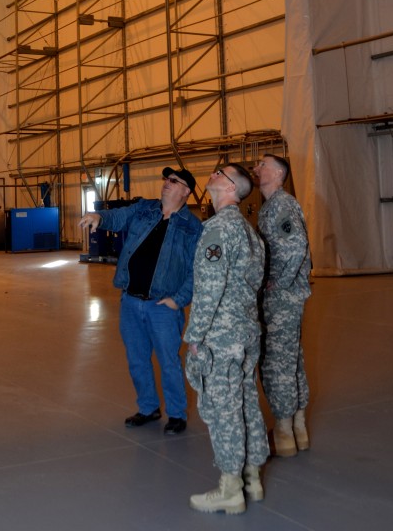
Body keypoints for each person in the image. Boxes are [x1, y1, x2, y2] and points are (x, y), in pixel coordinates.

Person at [79, 166, 202, 435]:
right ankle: (148, 408)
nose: (166, 183)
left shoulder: (193, 228)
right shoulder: (145, 209)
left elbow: (197, 271)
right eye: (165, 179)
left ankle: (177, 413)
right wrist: (98, 215)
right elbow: (118, 216)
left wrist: (178, 300)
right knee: (137, 359)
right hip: (131, 301)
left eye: (173, 181)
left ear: (186, 191)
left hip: (163, 307)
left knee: (169, 362)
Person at [184, 164, 268, 515]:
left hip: (221, 336)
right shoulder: (250, 233)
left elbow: (210, 289)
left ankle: (230, 488)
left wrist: (195, 335)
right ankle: (253, 477)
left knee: (224, 408)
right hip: (247, 332)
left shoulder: (217, 230)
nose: (213, 175)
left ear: (232, 187)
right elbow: (255, 283)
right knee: (247, 401)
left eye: (220, 172)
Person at [253, 153, 311, 458]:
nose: (256, 169)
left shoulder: (281, 204)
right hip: (284, 296)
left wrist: (280, 282)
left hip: (281, 299)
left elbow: (297, 244)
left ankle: (285, 432)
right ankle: (297, 427)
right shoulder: (271, 206)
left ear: (278, 173)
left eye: (262, 165)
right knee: (291, 359)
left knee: (276, 362)